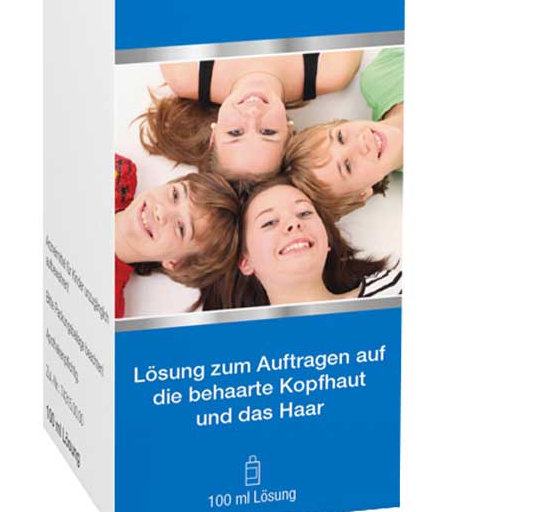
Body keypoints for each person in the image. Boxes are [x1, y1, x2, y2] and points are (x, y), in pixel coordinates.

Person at [137, 51, 362, 182]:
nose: (252, 114)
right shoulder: (332, 69)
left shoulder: (185, 72)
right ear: (289, 131)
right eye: (268, 132)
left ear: (214, 134)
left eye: (235, 132)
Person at [202, 178, 399, 310]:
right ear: (246, 261)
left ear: (327, 240)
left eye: (304, 213)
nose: (294, 223)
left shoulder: (396, 291)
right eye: (269, 222)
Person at [114, 154, 239, 318]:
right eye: (175, 195)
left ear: (175, 263)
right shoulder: (119, 173)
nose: (161, 212)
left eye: (181, 228)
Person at [284, 47, 403, 216]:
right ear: (363, 193)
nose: (360, 142)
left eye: (340, 137)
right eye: (347, 166)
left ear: (338, 123)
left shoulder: (381, 77)